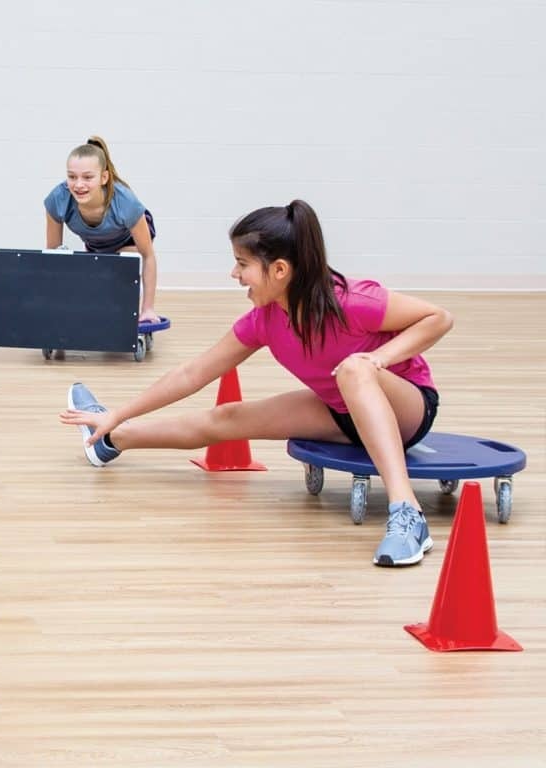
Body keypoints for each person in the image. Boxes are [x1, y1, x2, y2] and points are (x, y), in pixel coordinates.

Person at [60, 199, 454, 567]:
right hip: (341, 410)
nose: (235, 274)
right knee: (227, 417)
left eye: (242, 264)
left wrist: (378, 359)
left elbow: (438, 318)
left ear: (279, 270)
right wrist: (118, 413)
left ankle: (408, 514)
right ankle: (112, 439)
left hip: (408, 408)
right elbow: (192, 374)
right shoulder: (265, 321)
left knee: (354, 370)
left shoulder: (351, 301)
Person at [44, 136, 161, 323]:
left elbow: (148, 256)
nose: (78, 184)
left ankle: (130, 293)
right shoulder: (58, 199)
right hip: (97, 244)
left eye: (88, 177)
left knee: (121, 270)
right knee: (92, 288)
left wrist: (147, 309)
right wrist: (54, 307)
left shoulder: (126, 202)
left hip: (128, 240)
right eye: (72, 177)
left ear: (104, 178)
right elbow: (53, 256)